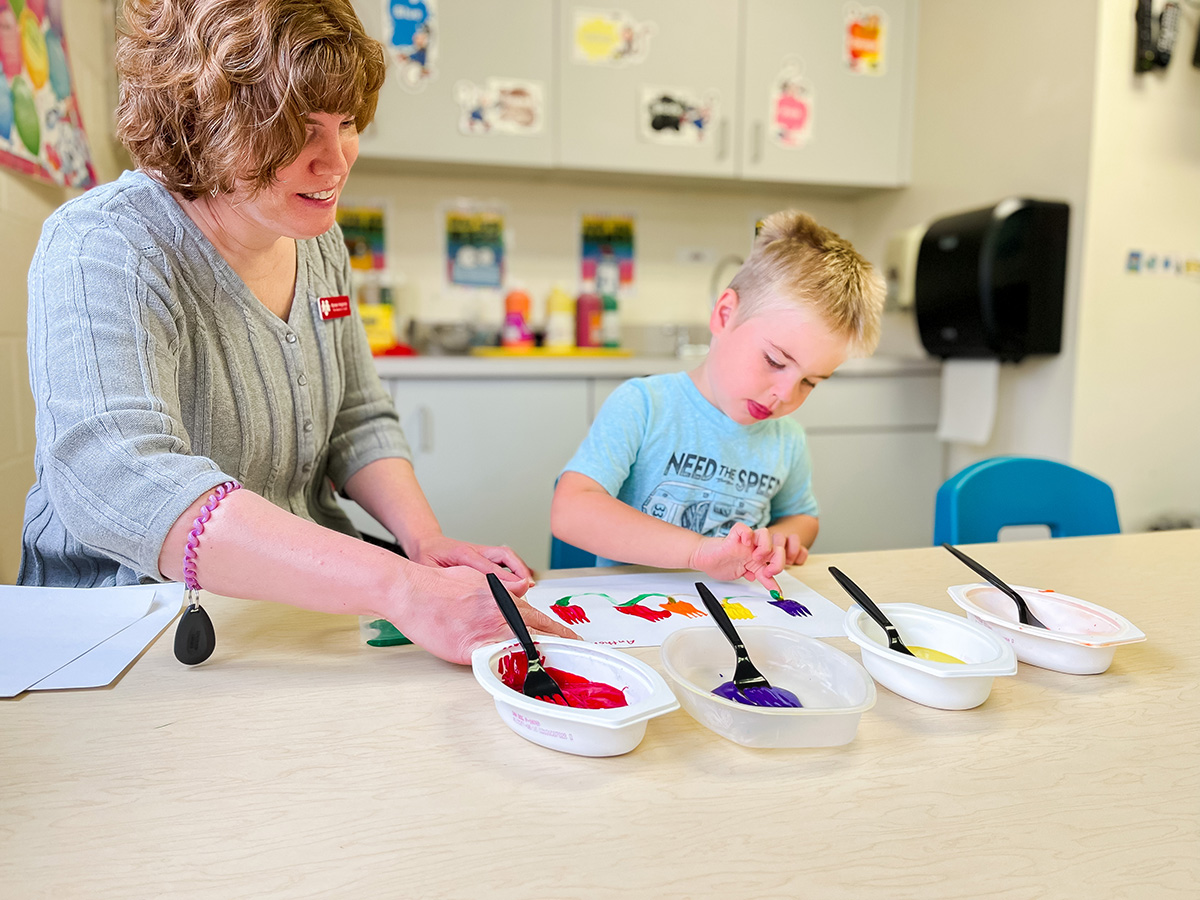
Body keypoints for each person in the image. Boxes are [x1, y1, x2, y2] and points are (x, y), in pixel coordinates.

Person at [18, 0, 574, 664]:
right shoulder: (104, 244)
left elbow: (357, 417)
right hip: (125, 624)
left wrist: (424, 543)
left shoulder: (320, 241)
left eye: (347, 125)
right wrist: (401, 587)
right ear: (200, 118)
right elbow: (120, 479)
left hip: (290, 615)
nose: (335, 162)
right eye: (297, 130)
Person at [551, 211, 885, 588]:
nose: (786, 394)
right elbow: (571, 510)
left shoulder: (786, 438)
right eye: (775, 361)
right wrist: (697, 552)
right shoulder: (643, 406)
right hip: (637, 608)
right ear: (725, 314)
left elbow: (802, 517)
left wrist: (781, 539)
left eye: (810, 381)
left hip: (737, 609)